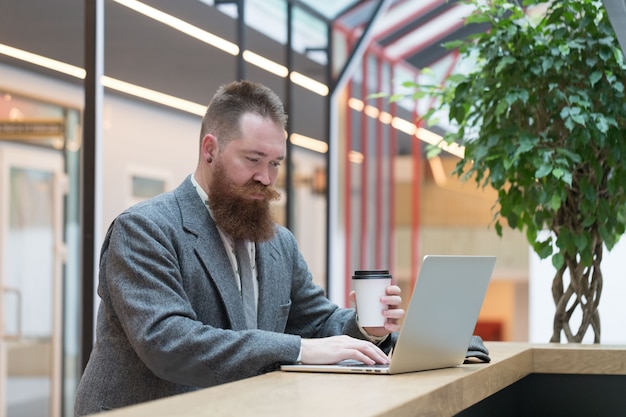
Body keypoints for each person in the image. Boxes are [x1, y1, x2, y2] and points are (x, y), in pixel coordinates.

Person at [74, 80, 405, 415]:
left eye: (275, 163)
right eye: (253, 159)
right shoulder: (144, 229)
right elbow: (168, 343)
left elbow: (318, 323)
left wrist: (367, 327)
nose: (266, 176)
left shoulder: (279, 242)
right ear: (209, 149)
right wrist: (300, 349)